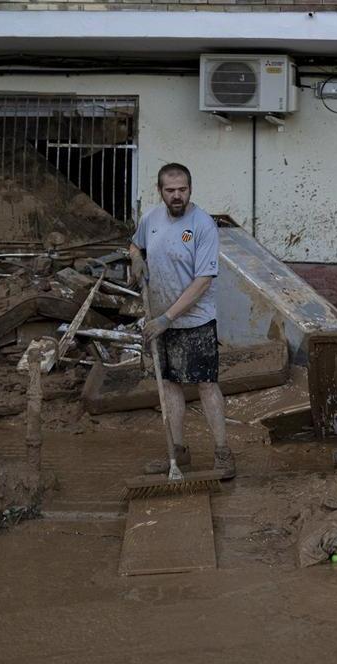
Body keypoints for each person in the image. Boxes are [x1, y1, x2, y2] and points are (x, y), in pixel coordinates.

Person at [128, 163, 234, 479]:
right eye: (171, 190)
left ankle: (222, 453)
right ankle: (178, 452)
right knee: (170, 385)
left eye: (183, 189)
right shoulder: (151, 218)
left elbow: (203, 281)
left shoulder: (202, 225)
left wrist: (167, 317)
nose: (177, 196)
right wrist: (135, 256)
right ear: (160, 191)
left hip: (195, 320)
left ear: (191, 188)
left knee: (205, 383)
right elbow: (136, 243)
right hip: (159, 319)